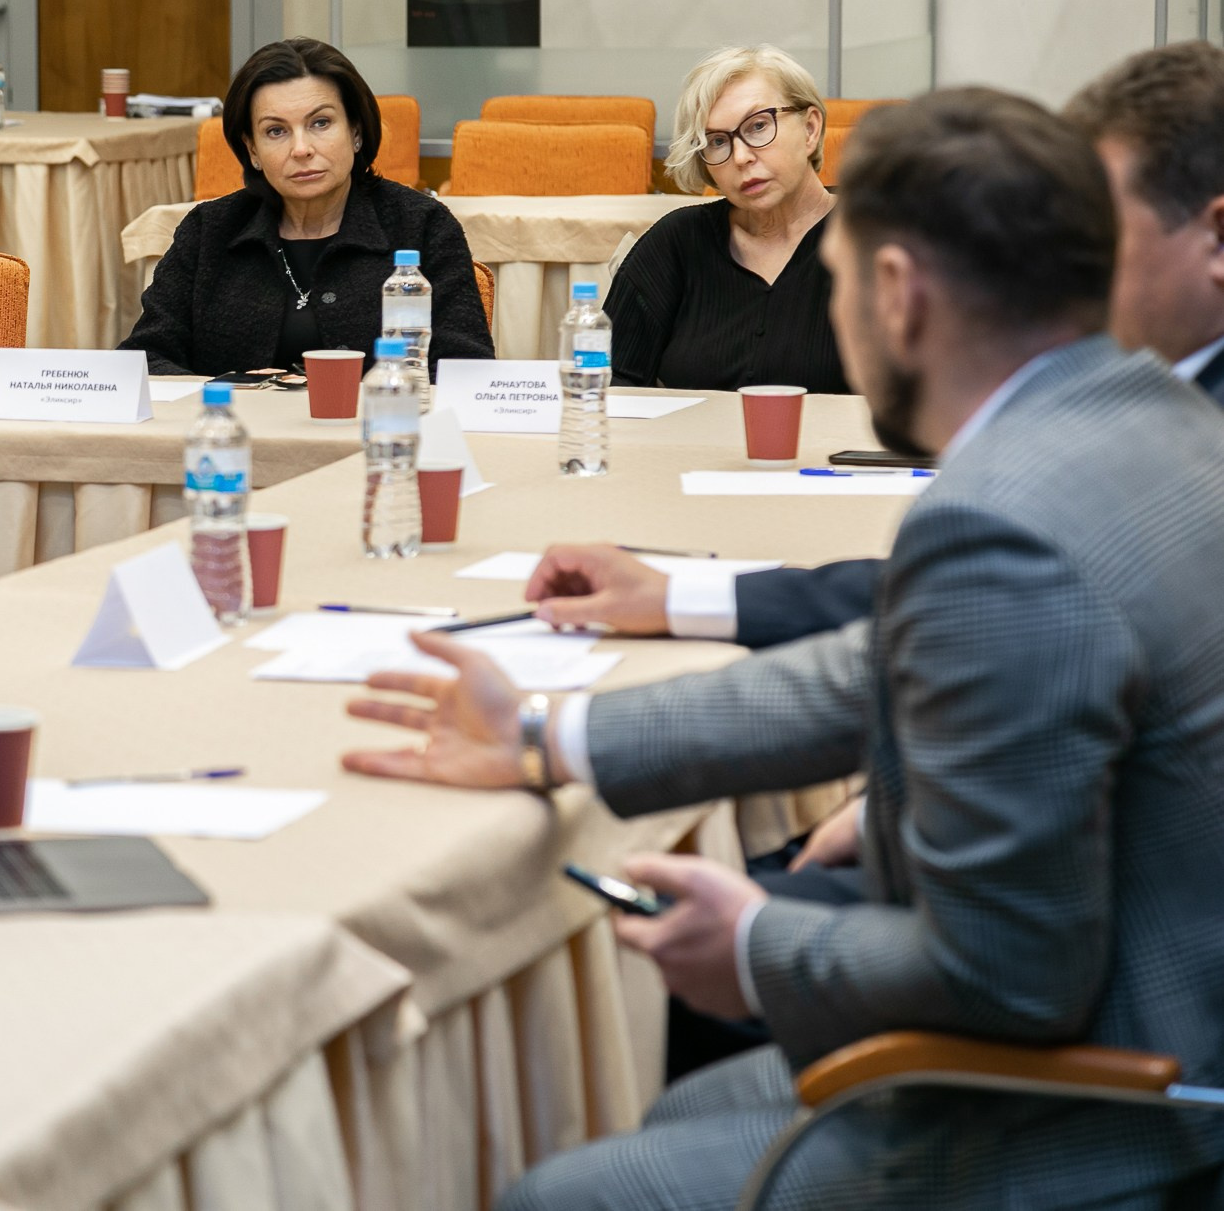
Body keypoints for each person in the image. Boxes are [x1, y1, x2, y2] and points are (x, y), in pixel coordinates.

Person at [344, 89, 1224, 1207]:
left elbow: (1007, 977)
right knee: (682, 1109)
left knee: (553, 1196)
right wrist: (549, 731)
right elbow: (883, 664)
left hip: (1124, 1113)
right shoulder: (1157, 415)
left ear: (895, 294)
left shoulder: (1006, 514)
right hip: (1169, 996)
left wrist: (756, 941)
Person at [530, 41, 1224, 657]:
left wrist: (556, 734)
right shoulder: (1138, 415)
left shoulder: (1111, 451)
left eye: (1106, 227)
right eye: (718, 142)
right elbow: (932, 618)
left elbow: (960, 639)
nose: (1086, 261)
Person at [119, 37, 493, 377]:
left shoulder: (421, 226)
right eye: (276, 131)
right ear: (252, 150)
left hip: (378, 438)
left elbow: (465, 370)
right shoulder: (209, 230)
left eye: (320, 123)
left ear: (357, 132)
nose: (301, 149)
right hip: (234, 441)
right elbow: (145, 357)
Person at [609, 45, 846, 395]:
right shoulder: (677, 243)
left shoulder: (880, 239)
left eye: (759, 126)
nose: (741, 156)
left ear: (810, 129)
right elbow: (607, 383)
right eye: (717, 141)